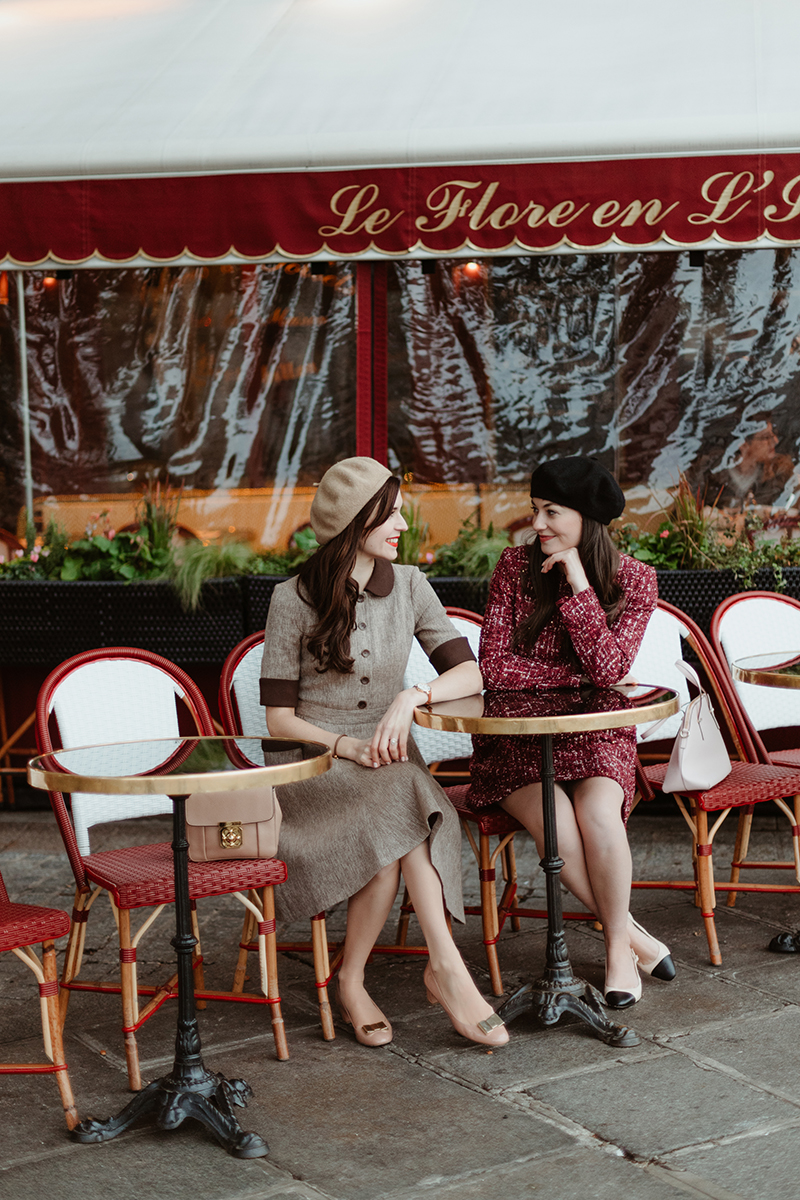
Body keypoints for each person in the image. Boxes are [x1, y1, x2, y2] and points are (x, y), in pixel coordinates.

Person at [260, 456, 508, 1047]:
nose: (402, 524)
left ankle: (355, 978)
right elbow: (278, 720)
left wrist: (412, 697)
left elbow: (470, 674)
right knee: (407, 799)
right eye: (390, 513)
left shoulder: (412, 586)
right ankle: (443, 967)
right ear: (353, 522)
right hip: (314, 765)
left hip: (390, 761)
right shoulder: (290, 599)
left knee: (398, 810)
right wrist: (346, 743)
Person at [467, 456, 674, 1009]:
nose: (538, 524)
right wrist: (574, 676)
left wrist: (579, 584)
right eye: (535, 510)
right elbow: (495, 667)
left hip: (598, 734)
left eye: (552, 512)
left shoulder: (634, 579)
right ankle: (632, 937)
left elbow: (609, 670)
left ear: (588, 518)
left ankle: (615, 951)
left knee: (600, 816)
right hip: (515, 740)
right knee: (557, 823)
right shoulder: (513, 568)